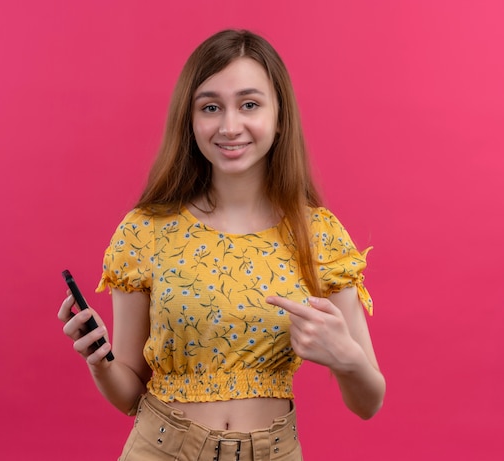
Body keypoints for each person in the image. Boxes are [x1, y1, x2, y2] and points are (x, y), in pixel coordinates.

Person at [58, 29, 385, 460]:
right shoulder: (145, 231)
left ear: (279, 115)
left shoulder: (318, 234)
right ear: (190, 120)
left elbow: (368, 403)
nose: (230, 126)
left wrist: (347, 357)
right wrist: (100, 361)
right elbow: (129, 395)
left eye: (249, 105)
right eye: (211, 107)